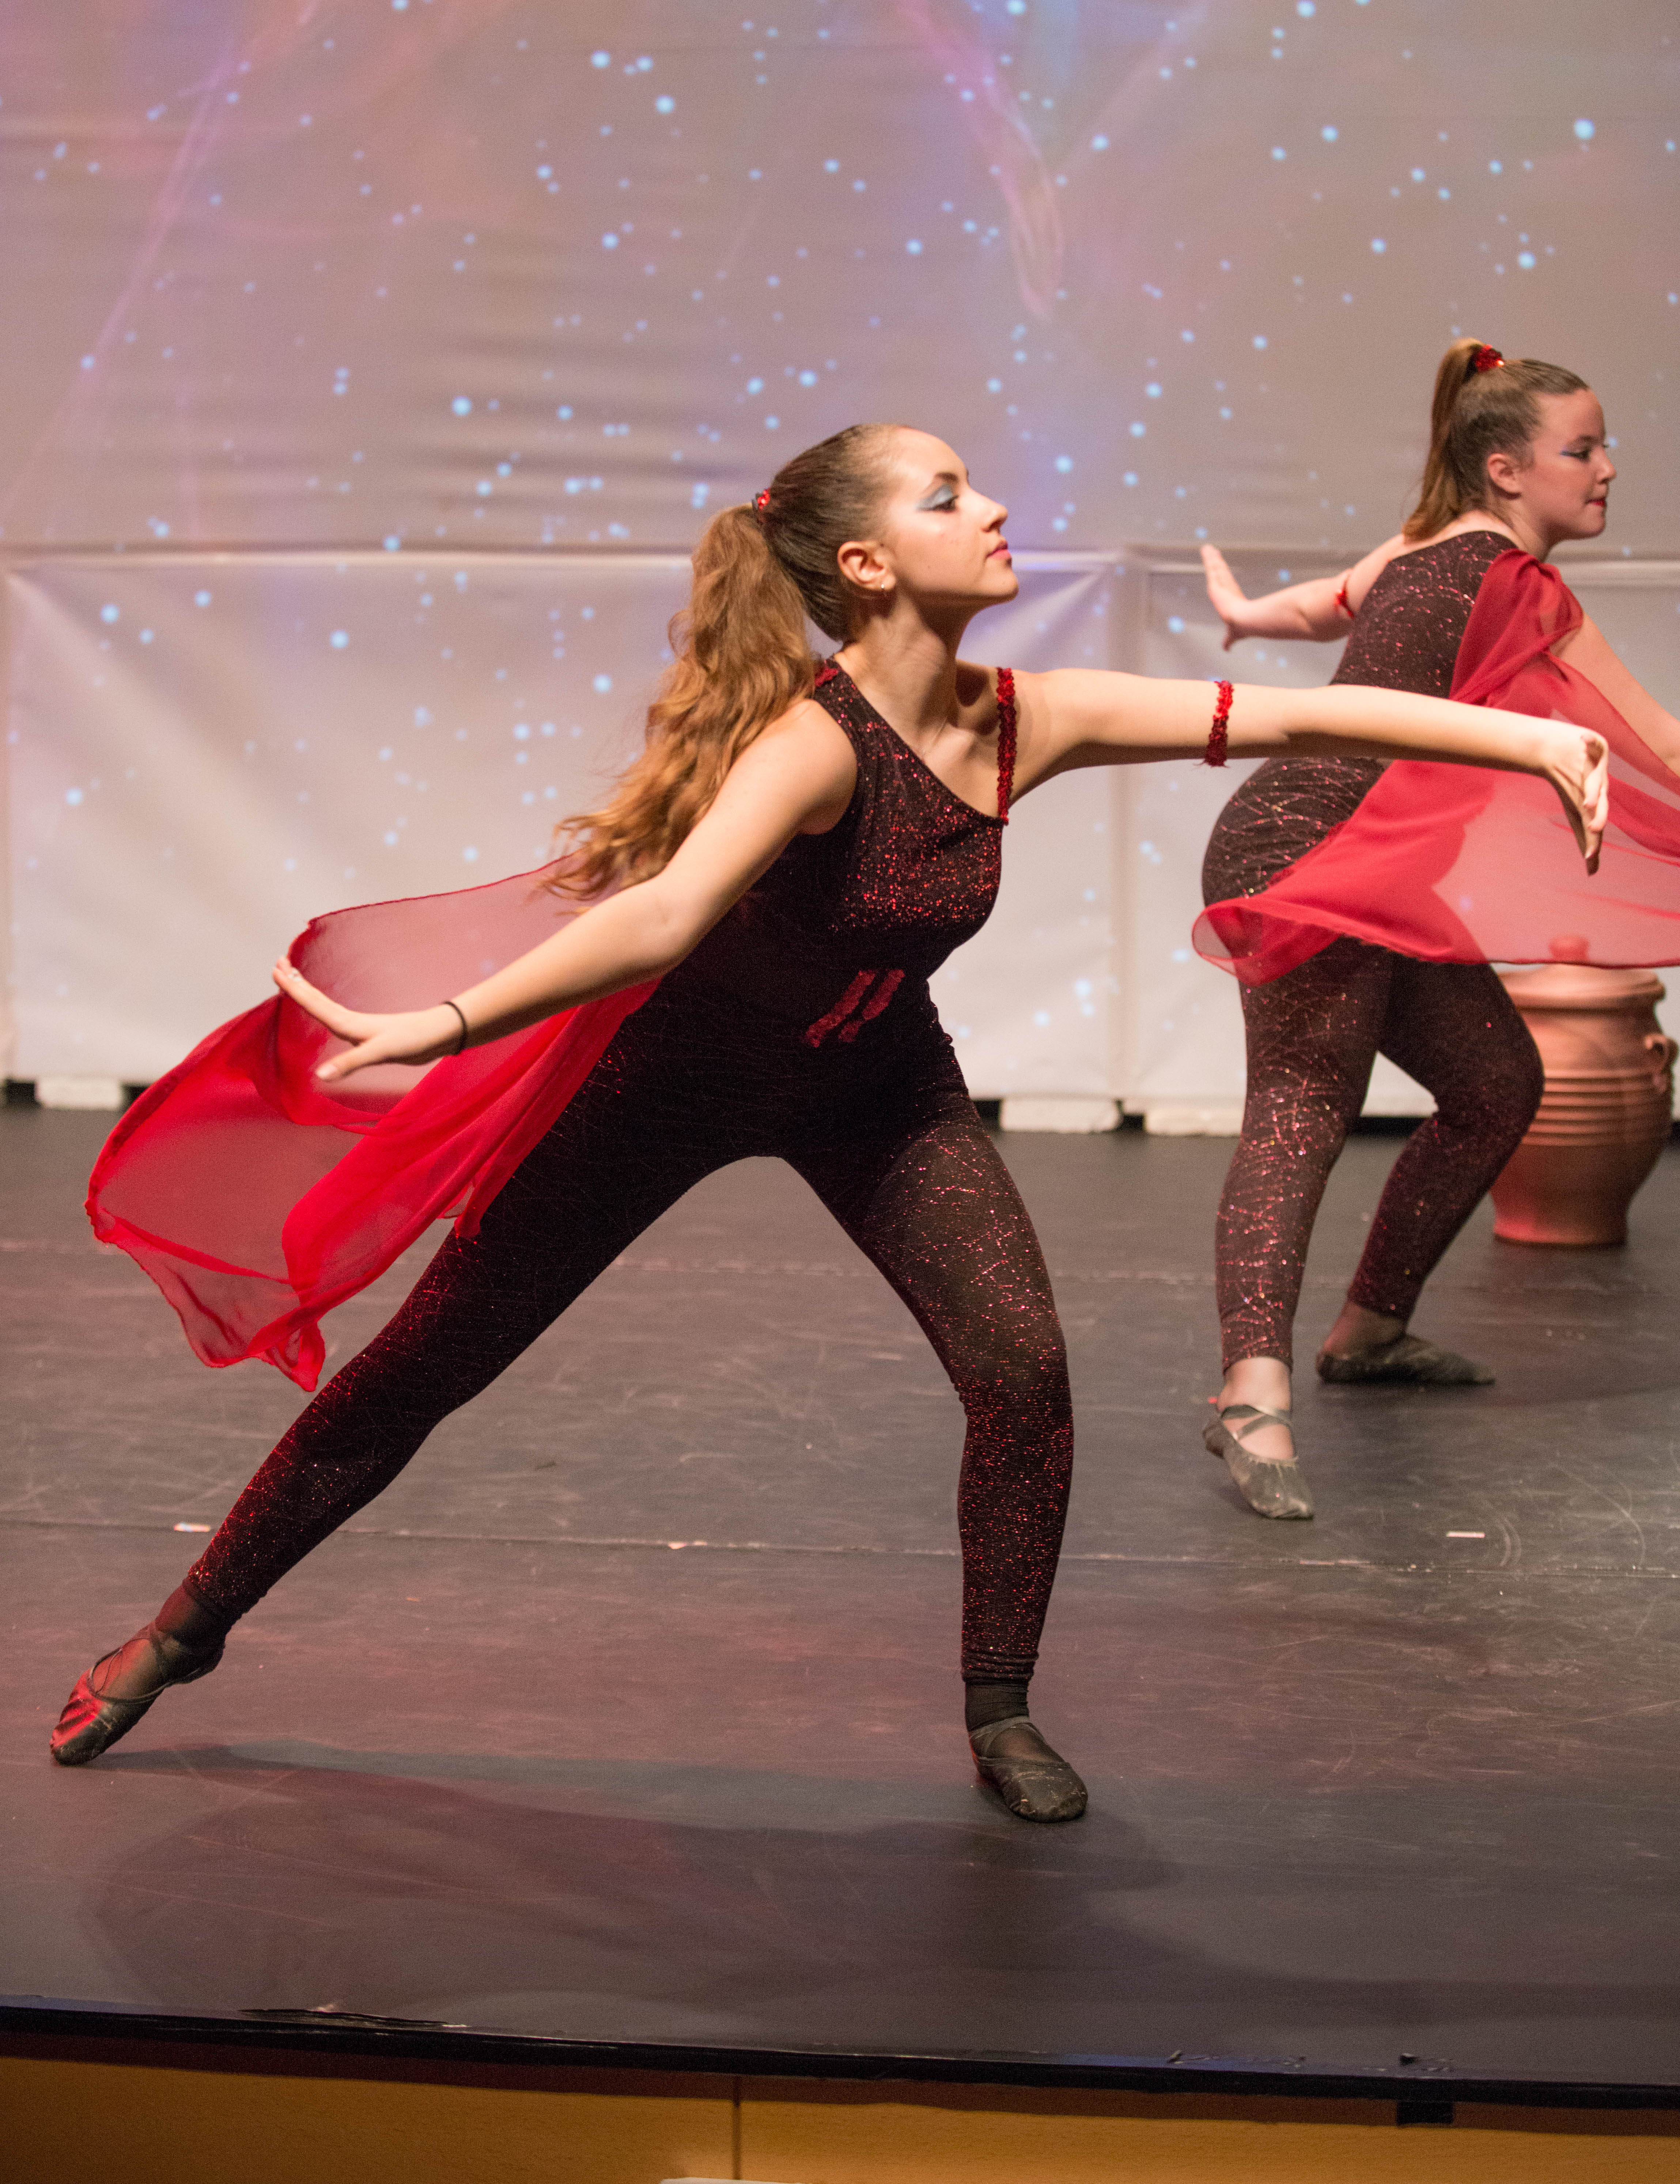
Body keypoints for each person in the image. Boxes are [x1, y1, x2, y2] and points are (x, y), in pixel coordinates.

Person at [51, 421, 1609, 1819]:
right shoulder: (811, 745)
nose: (992, 508)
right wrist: (448, 1022)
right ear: (865, 564)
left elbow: (1280, 721)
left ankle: (999, 1707)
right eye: (948, 495)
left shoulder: (1029, 717)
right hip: (674, 1080)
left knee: (1023, 1371)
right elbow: (662, 919)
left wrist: (1535, 739)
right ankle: (183, 1632)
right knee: (429, 1363)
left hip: (880, 1084)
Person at [1196, 339, 1680, 1521]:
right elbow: (1658, 745)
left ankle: (1368, 1332)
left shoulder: (1412, 547)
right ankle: (1248, 1394)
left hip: (1361, 862)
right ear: (1505, 470)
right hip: (1310, 853)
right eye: (1582, 449)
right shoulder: (1520, 585)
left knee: (1494, 1083)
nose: (1607, 469)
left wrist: (1242, 613)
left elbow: (1319, 604)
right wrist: (1248, 614)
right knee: (1304, 1101)